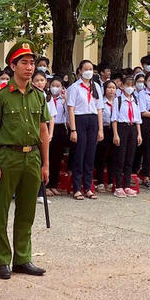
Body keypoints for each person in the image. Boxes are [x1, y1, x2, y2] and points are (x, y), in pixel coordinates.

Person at [0, 42, 51, 278]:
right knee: (0, 209)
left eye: (32, 62)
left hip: (32, 156)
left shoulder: (38, 95)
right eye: (24, 62)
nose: (29, 67)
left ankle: (23, 258)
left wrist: (45, 163)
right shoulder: (0, 95)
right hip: (7, 155)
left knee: (27, 211)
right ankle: (2, 259)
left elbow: (43, 130)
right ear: (12, 65)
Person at [66, 59, 102, 200]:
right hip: (80, 120)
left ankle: (88, 187)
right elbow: (71, 108)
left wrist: (100, 129)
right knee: (79, 154)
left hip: (92, 120)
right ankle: (77, 188)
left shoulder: (96, 87)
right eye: (85, 69)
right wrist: (73, 130)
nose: (88, 71)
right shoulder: (74, 88)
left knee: (90, 155)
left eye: (91, 69)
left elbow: (99, 109)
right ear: (80, 71)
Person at [111, 81, 142, 197]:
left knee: (130, 158)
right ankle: (118, 186)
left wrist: (139, 134)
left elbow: (138, 119)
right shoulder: (118, 100)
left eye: (132, 86)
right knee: (120, 158)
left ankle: (127, 185)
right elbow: (114, 119)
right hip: (122, 127)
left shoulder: (135, 100)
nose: (130, 88)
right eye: (127, 85)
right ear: (123, 86)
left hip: (132, 128)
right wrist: (116, 134)